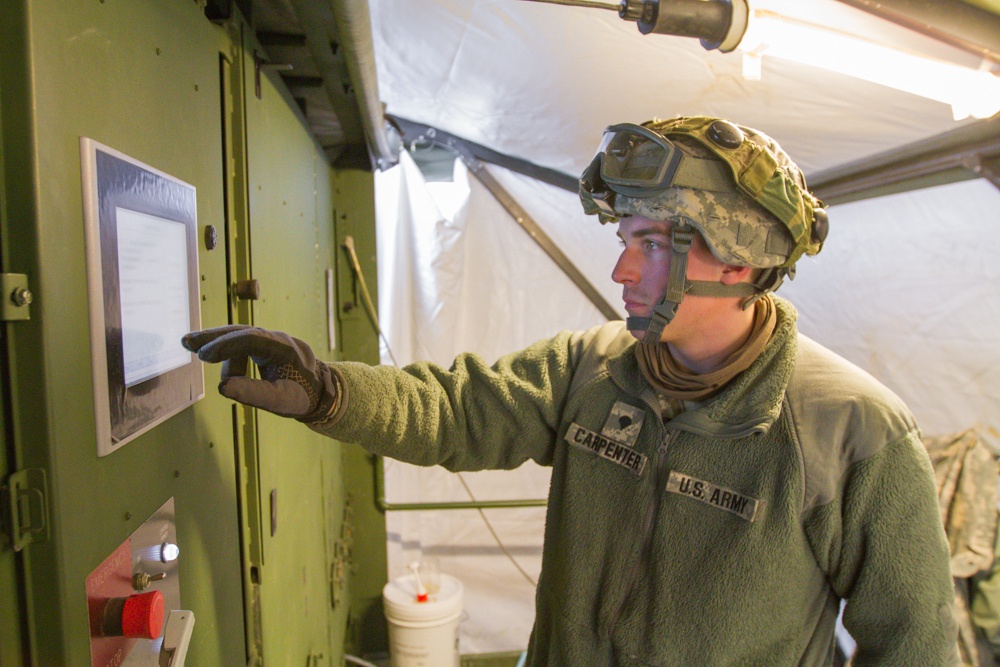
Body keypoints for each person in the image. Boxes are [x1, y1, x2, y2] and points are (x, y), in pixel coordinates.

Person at [183, 116, 958, 665]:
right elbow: (455, 410)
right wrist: (329, 392)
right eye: (626, 241)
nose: (621, 271)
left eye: (651, 244)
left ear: (738, 257)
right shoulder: (594, 366)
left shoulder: (852, 429)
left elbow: (915, 645)